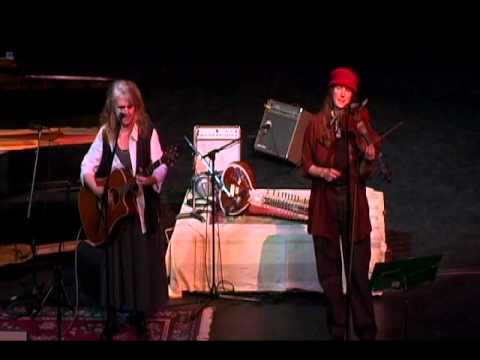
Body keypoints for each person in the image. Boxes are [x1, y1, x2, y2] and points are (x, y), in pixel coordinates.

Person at [80, 79, 169, 337]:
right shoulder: (106, 134)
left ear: (136, 107)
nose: (125, 112)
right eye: (120, 107)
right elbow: (87, 166)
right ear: (113, 108)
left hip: (138, 211)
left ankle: (138, 316)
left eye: (130, 107)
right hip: (113, 216)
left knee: (138, 264)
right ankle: (111, 317)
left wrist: (152, 179)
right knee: (113, 266)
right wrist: (98, 191)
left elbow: (161, 164)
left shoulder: (147, 132)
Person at [302, 67, 381, 341]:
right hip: (325, 201)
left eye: (348, 90)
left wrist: (369, 154)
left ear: (353, 94)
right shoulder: (316, 123)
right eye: (339, 88)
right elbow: (306, 163)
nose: (343, 94)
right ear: (331, 90)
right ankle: (338, 331)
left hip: (353, 201)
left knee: (358, 272)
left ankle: (366, 331)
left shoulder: (360, 119)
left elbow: (369, 160)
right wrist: (322, 172)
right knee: (331, 276)